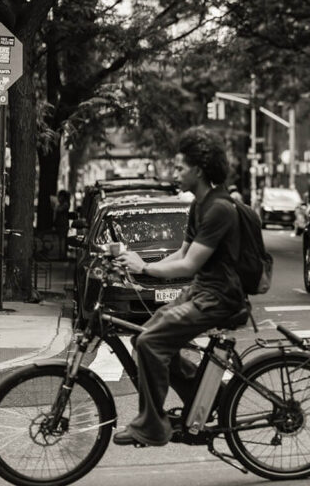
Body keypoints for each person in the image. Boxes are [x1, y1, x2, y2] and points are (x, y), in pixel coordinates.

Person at [114, 127, 246, 447]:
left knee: (150, 343)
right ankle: (204, 397)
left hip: (219, 297)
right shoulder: (198, 206)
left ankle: (152, 424)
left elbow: (189, 266)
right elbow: (181, 253)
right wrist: (140, 269)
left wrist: (144, 267)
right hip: (202, 291)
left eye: (179, 167)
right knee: (142, 333)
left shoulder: (219, 209)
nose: (174, 173)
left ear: (198, 171)